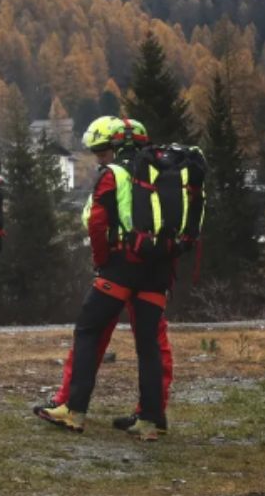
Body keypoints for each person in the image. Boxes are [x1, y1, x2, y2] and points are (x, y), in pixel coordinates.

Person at [35, 115, 172, 441]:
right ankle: (152, 421)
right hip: (158, 269)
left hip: (121, 266)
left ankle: (74, 410)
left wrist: (102, 261)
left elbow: (97, 222)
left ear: (118, 147)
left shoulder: (114, 175)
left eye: (102, 151)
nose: (98, 158)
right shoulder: (167, 174)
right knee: (150, 345)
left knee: (88, 331)